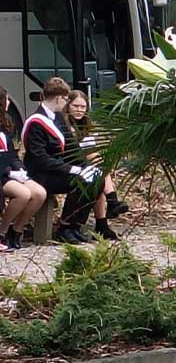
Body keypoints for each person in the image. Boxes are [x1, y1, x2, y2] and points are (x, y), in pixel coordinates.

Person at [22, 78, 104, 245]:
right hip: (41, 174)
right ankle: (65, 227)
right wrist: (72, 169)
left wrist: (87, 167)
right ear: (59, 98)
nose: (66, 103)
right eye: (66, 99)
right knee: (79, 181)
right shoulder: (36, 121)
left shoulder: (58, 118)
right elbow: (40, 159)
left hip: (58, 169)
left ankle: (74, 226)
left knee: (96, 179)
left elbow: (72, 149)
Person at [64, 90, 128, 235]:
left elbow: (91, 148)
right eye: (76, 106)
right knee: (97, 168)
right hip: (70, 164)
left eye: (83, 107)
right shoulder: (65, 125)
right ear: (68, 106)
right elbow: (73, 151)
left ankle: (102, 223)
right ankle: (112, 201)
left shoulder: (88, 125)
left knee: (98, 175)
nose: (79, 110)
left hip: (88, 164)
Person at [0, 87, 45, 251]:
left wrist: (20, 170)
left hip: (10, 170)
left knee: (39, 193)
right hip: (2, 174)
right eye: (7, 99)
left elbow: (12, 155)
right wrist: (10, 173)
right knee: (23, 194)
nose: (9, 103)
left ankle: (16, 230)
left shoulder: (4, 124)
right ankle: (2, 231)